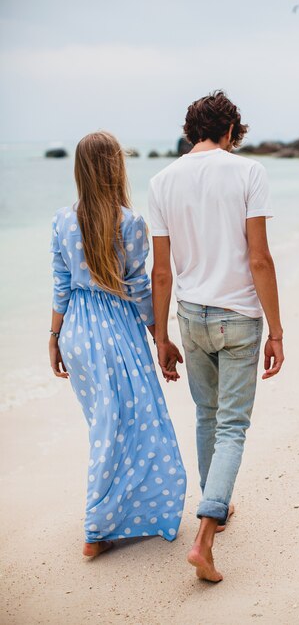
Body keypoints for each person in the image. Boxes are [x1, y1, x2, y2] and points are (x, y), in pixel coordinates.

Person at [149, 91, 284, 582]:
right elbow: (259, 259)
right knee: (231, 426)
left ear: (192, 131)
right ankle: (207, 532)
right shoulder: (249, 173)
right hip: (240, 318)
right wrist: (278, 330)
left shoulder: (161, 180)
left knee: (207, 417)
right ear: (231, 131)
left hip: (190, 316)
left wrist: (160, 335)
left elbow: (160, 272)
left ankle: (213, 500)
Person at [49, 131, 186, 558]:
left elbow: (62, 286)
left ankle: (113, 517)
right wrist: (159, 338)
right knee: (128, 427)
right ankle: (96, 527)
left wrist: (54, 338)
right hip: (116, 331)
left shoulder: (61, 220)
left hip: (77, 333)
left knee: (107, 426)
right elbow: (140, 288)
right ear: (115, 168)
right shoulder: (130, 222)